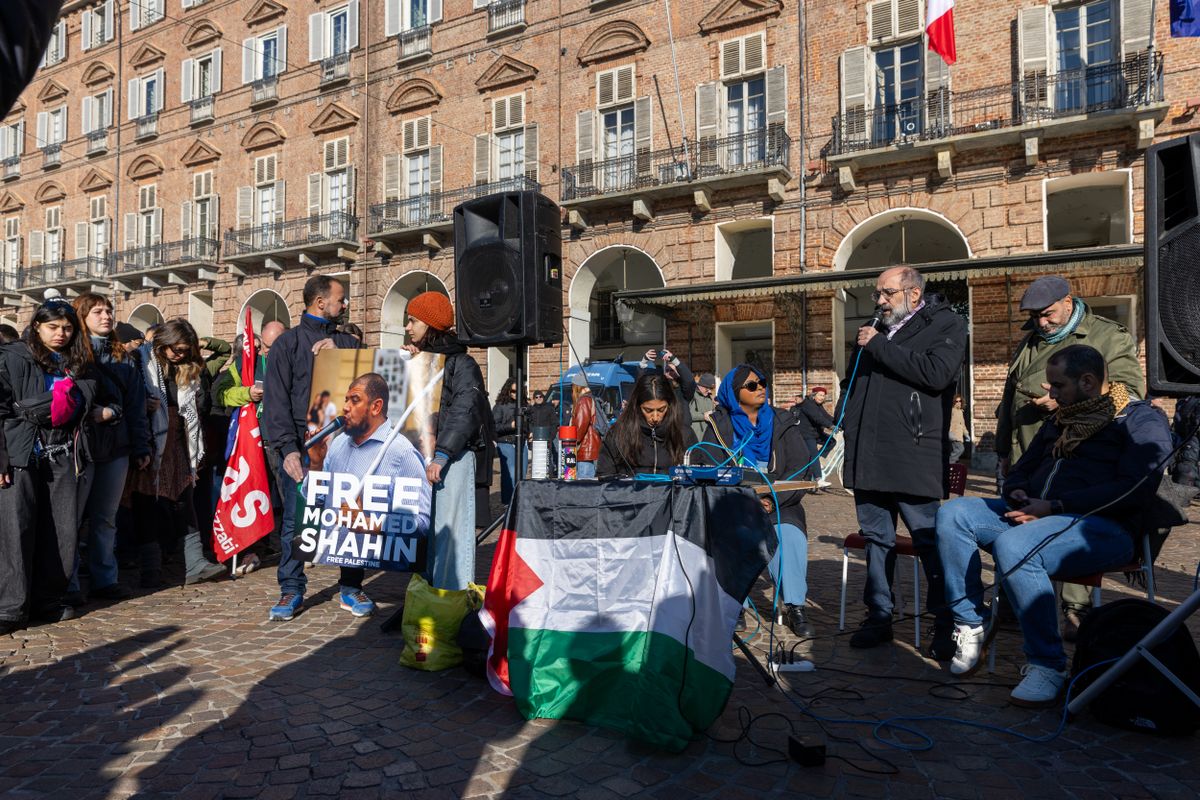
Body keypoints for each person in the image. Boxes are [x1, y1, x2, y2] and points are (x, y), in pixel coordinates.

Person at [937, 345, 1172, 706]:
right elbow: (1023, 469)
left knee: (1016, 546)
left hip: (1102, 528)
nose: (1050, 393)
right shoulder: (1061, 419)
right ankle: (971, 622)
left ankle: (1047, 663)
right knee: (954, 514)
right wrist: (1018, 491)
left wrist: (1056, 506)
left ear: (1089, 382)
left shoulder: (1140, 420)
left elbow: (1135, 488)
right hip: (1040, 514)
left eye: (1057, 385)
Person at [994, 275, 1144, 640]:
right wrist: (1002, 448)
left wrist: (1063, 404)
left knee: (1066, 530)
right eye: (1035, 318)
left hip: (1077, 455)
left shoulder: (1107, 335)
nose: (1042, 323)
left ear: (1068, 301)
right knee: (1018, 527)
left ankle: (1074, 611)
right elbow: (1010, 395)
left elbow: (1128, 392)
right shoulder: (1033, 339)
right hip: (1027, 453)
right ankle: (1019, 603)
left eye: (1047, 315)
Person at [840, 266, 967, 658]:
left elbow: (936, 374)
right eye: (877, 293)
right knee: (877, 539)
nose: (879, 301)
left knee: (930, 541)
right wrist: (846, 423)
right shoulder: (872, 327)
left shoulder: (947, 324)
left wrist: (878, 345)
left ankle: (945, 622)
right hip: (869, 454)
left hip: (913, 454)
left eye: (887, 293)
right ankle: (879, 614)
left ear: (913, 294)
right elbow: (854, 382)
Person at [263, 275, 361, 622]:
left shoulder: (348, 341)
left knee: (352, 517)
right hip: (304, 448)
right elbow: (275, 402)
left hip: (348, 447)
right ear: (320, 303)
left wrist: (342, 353)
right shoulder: (287, 344)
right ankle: (291, 587)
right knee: (296, 521)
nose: (344, 304)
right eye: (340, 299)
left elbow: (372, 375)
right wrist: (288, 449)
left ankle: (351, 586)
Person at [0, 300, 97, 634]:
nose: (61, 334)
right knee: (16, 530)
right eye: (53, 327)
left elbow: (96, 394)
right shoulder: (12, 356)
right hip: (19, 455)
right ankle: (10, 608)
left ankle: (48, 601)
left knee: (60, 530)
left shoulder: (77, 361)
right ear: (37, 326)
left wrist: (82, 401)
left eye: (67, 328)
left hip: (61, 455)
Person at [700, 364, 814, 636]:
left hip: (778, 505)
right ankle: (733, 603)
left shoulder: (784, 423)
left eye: (762, 382)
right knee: (729, 536)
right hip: (735, 505)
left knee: (788, 536)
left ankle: (795, 605)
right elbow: (709, 467)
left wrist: (772, 500)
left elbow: (801, 468)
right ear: (734, 392)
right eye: (751, 385)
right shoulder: (719, 426)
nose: (760, 388)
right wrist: (747, 499)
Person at [305, 373, 432, 616]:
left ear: (376, 406)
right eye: (346, 400)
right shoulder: (339, 444)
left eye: (354, 400)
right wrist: (316, 466)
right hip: (342, 553)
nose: (345, 407)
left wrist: (371, 524)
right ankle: (349, 588)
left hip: (389, 558)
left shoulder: (401, 452)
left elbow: (423, 524)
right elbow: (317, 502)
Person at [403, 291, 492, 590]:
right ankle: (430, 597)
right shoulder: (425, 359)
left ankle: (451, 602)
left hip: (450, 459)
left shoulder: (461, 363)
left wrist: (442, 454)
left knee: (452, 534)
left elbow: (465, 409)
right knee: (432, 535)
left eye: (413, 320)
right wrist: (412, 367)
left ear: (430, 324)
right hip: (428, 457)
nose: (407, 327)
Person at [128, 319, 224, 589]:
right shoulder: (139, 359)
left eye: (184, 350)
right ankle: (151, 568)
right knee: (148, 503)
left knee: (185, 499)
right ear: (163, 343)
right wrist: (142, 404)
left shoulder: (188, 367)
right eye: (175, 349)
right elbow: (130, 394)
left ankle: (194, 562)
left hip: (179, 439)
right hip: (151, 438)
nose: (179, 355)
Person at [69, 294, 151, 602]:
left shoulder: (124, 357)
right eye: (98, 311)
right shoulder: (73, 355)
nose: (106, 316)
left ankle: (105, 579)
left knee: (106, 517)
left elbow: (136, 406)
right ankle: (69, 582)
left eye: (108, 311)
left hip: (117, 445)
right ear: (83, 316)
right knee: (73, 518)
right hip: (82, 445)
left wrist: (141, 445)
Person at [213, 320, 287, 571]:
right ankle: (254, 549)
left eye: (271, 347)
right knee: (254, 496)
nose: (266, 352)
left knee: (289, 499)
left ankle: (294, 547)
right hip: (254, 442)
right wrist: (246, 393)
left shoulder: (293, 360)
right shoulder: (246, 363)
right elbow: (220, 393)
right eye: (263, 347)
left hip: (285, 440)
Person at [597, 373, 708, 478]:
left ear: (670, 405)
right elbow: (604, 476)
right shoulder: (618, 433)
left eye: (661, 409)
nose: (655, 417)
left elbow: (697, 477)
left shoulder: (684, 434)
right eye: (648, 410)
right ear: (637, 406)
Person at [790, 386, 836, 481]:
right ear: (814, 395)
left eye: (823, 396)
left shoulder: (818, 405)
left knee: (831, 441)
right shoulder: (808, 404)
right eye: (820, 395)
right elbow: (817, 418)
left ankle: (815, 462)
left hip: (815, 433)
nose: (822, 397)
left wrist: (839, 422)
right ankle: (818, 479)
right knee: (814, 455)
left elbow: (826, 416)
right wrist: (830, 426)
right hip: (806, 434)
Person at [492, 378, 522, 504]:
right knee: (511, 474)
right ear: (508, 391)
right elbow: (494, 426)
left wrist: (530, 431)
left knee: (521, 474)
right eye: (513, 391)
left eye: (519, 391)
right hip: (506, 442)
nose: (516, 394)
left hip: (522, 442)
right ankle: (508, 502)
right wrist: (510, 425)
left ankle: (519, 501)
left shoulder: (524, 405)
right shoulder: (500, 406)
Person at [569, 372, 602, 479]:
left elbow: (580, 426)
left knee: (584, 484)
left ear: (577, 387)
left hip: (584, 449)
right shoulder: (591, 398)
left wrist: (571, 442)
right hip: (590, 449)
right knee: (588, 482)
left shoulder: (584, 401)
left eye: (572, 386)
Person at [689, 373, 717, 442]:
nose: (709, 391)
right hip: (696, 436)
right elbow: (688, 414)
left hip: (708, 436)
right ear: (700, 385)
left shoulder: (709, 397)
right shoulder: (692, 394)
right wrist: (703, 416)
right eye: (707, 388)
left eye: (711, 389)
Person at [948, 395, 967, 463]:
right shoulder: (952, 411)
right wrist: (950, 433)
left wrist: (966, 434)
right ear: (954, 402)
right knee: (960, 449)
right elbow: (949, 422)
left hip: (959, 435)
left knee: (956, 449)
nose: (958, 402)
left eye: (960, 401)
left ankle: (953, 463)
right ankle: (950, 462)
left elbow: (962, 425)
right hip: (954, 434)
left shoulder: (960, 411)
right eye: (957, 401)